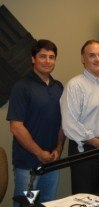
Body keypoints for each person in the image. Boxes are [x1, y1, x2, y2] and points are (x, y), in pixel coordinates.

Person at [7, 39, 65, 206]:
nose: (47, 61)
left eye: (51, 57)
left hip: (52, 162)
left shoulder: (58, 87)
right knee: (26, 205)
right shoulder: (21, 87)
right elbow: (16, 127)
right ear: (33, 59)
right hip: (28, 165)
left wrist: (58, 149)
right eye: (42, 56)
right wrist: (39, 153)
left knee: (47, 204)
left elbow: (63, 122)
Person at [60, 40, 99, 194]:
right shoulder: (75, 86)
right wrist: (95, 142)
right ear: (83, 59)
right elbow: (69, 124)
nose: (98, 59)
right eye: (92, 55)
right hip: (84, 151)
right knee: (84, 199)